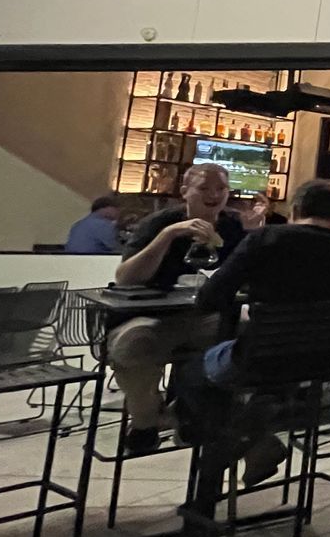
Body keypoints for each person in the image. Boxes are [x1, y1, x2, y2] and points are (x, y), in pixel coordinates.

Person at [173, 180, 330, 525]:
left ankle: (236, 454)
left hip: (258, 359)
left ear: (295, 208)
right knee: (251, 390)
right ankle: (244, 444)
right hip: (319, 361)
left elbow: (210, 300)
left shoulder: (265, 240)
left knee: (190, 373)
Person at [107, 164, 250, 455]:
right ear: (185, 192)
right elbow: (126, 277)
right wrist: (169, 235)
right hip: (150, 315)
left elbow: (244, 273)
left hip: (203, 316)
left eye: (220, 189)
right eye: (204, 188)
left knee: (248, 331)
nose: (213, 195)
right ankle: (146, 420)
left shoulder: (231, 225)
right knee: (132, 345)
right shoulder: (159, 223)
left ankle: (195, 411)